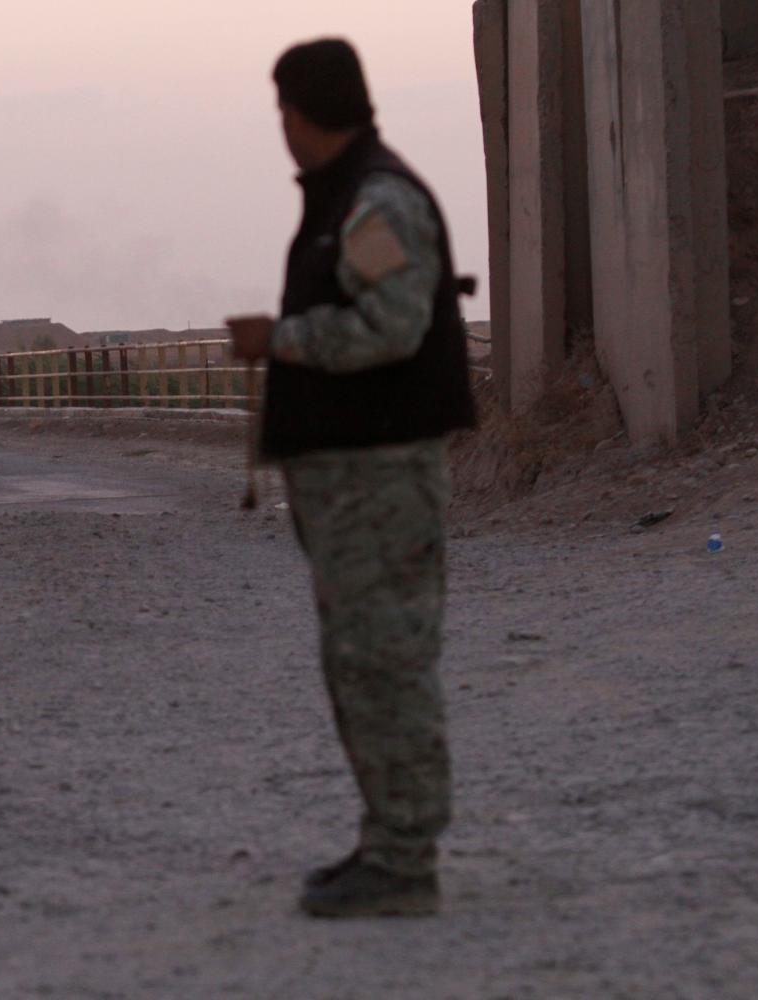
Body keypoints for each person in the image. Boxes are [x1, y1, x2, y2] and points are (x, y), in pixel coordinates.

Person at [227, 38, 478, 919]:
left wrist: (280, 341)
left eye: (284, 112)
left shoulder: (375, 202)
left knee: (386, 662)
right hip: (351, 480)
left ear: (303, 111)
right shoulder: (347, 200)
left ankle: (406, 863)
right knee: (361, 664)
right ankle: (387, 843)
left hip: (381, 478)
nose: (282, 130)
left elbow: (395, 326)